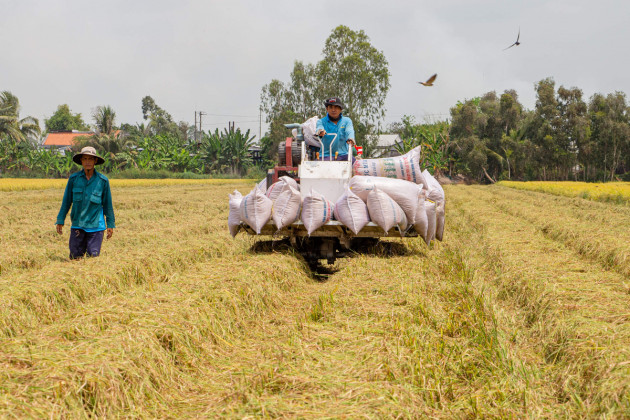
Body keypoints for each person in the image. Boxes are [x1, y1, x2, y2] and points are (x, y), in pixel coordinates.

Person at [56, 146, 115, 259]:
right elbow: (67, 201)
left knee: (93, 258)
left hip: (96, 226)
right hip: (78, 224)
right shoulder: (74, 179)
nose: (87, 162)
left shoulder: (102, 181)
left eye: (90, 159)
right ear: (81, 161)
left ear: (95, 161)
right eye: (85, 159)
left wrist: (110, 224)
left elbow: (108, 204)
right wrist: (60, 219)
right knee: (74, 257)